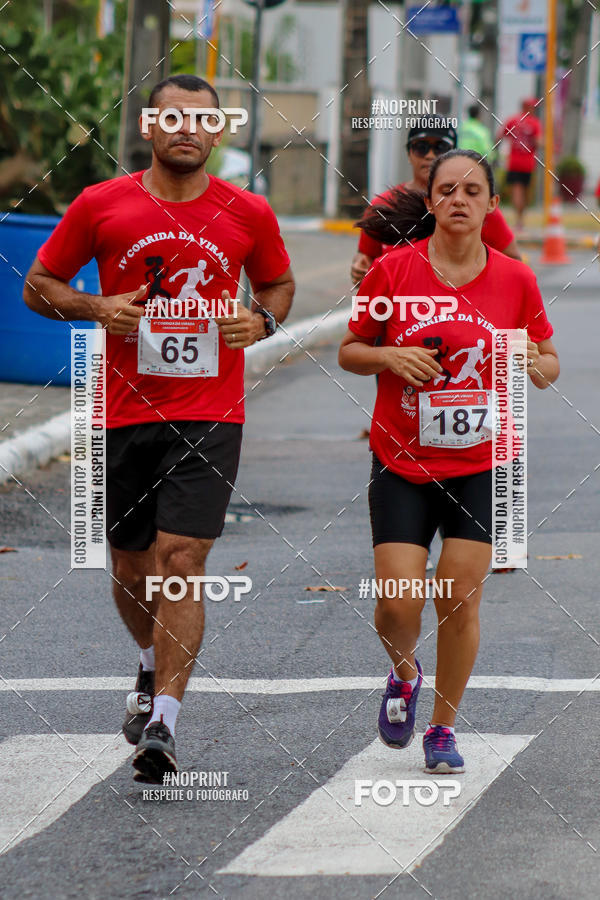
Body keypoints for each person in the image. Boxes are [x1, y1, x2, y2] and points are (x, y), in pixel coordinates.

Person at [23, 74, 295, 783]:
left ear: (219, 132)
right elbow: (37, 286)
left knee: (181, 559)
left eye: (201, 118)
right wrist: (97, 306)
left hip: (209, 414)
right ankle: (148, 667)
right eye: (171, 116)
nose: (185, 127)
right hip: (121, 412)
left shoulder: (248, 212)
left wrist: (262, 319)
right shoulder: (100, 205)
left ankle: (165, 723)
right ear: (148, 126)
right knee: (130, 565)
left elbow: (277, 285)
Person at [339, 149, 558, 773]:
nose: (459, 200)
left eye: (473, 190)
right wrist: (390, 358)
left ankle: (442, 727)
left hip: (481, 463)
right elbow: (352, 349)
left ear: (492, 204)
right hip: (403, 460)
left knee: (459, 598)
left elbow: (549, 361)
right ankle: (404, 673)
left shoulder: (516, 279)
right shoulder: (394, 272)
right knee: (397, 603)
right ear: (430, 200)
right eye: (447, 190)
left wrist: (529, 365)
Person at [350, 117, 520, 286]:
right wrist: (360, 268)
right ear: (409, 153)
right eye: (421, 148)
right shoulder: (383, 206)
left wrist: (477, 293)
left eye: (440, 148)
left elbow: (513, 264)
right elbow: (365, 259)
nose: (430, 155)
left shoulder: (475, 207)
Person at [497, 98, 542, 231]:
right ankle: (521, 219)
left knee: (516, 191)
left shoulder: (512, 121)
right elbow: (539, 142)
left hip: (514, 162)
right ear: (529, 108)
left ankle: (519, 220)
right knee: (526, 191)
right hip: (528, 163)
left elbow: (500, 136)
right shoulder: (535, 123)